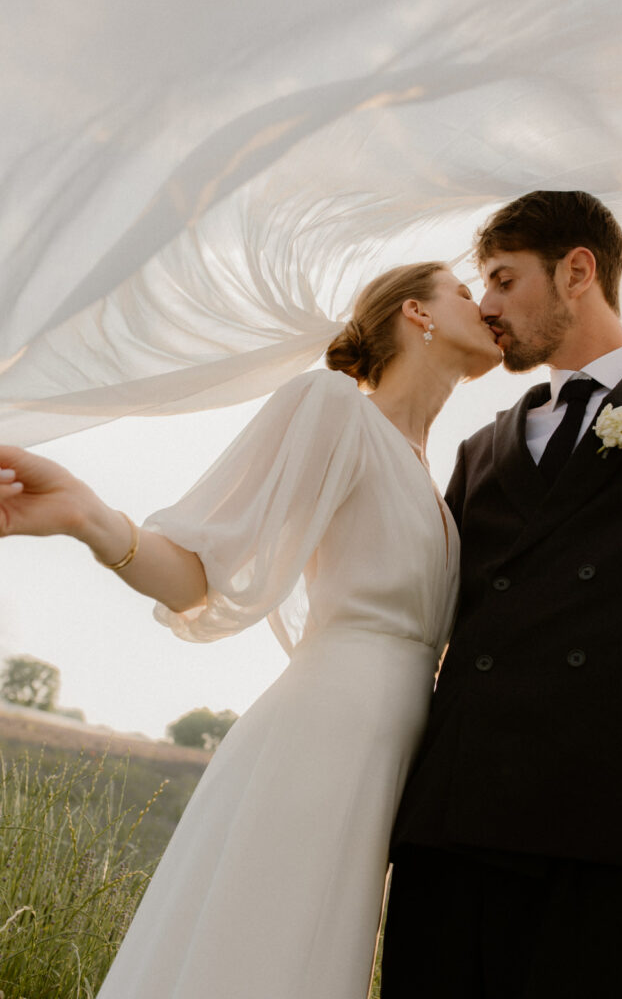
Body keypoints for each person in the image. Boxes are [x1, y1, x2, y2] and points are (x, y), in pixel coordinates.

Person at [0, 261, 501, 998]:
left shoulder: (437, 475)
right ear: (415, 315)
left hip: (392, 747)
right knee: (265, 943)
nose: (484, 305)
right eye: (463, 291)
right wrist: (88, 518)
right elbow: (205, 571)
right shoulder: (332, 405)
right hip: (327, 732)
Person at [382, 191, 622, 998]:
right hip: (459, 831)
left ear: (576, 271)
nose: (486, 307)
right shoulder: (481, 451)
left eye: (503, 281)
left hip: (620, 839)